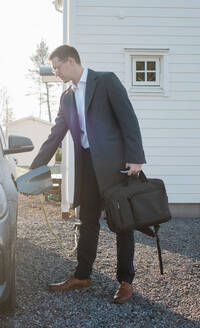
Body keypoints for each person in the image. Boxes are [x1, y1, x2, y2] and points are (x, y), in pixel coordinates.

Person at [29, 45, 146, 304]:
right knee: (87, 223)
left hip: (117, 169)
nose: (56, 72)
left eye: (58, 66)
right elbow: (55, 135)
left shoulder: (106, 81)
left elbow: (129, 119)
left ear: (71, 61)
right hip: (88, 170)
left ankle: (126, 282)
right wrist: (37, 166)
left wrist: (136, 157)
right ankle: (82, 276)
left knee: (123, 225)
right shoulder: (67, 98)